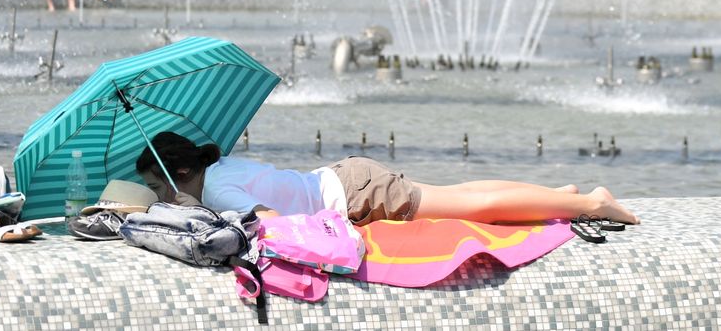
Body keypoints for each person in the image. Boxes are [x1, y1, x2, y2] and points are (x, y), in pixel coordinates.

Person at [136, 132, 639, 227]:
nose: (161, 196)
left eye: (159, 187)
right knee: (460, 194)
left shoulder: (218, 189)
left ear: (180, 172)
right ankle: (559, 196)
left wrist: (195, 212)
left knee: (473, 207)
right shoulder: (221, 168)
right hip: (345, 179)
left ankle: (590, 203)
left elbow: (269, 224)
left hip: (355, 193)